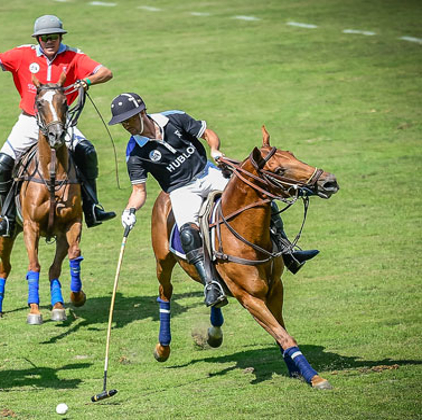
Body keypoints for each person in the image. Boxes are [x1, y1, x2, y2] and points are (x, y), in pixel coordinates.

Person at [108, 92, 319, 307]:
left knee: (260, 197)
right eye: (122, 123)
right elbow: (139, 191)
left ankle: (288, 252)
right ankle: (211, 285)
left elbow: (207, 133)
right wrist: (130, 210)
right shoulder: (135, 152)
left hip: (207, 173)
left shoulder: (173, 118)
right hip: (181, 190)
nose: (126, 125)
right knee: (188, 233)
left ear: (142, 112)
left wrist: (215, 151)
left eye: (129, 119)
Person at [0, 14, 116, 237]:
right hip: (30, 121)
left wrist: (85, 81)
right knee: (2, 163)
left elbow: (105, 72)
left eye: (53, 37)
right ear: (37, 40)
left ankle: (92, 208)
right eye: (44, 38)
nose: (49, 41)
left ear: (60, 37)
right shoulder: (23, 54)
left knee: (87, 152)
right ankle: (6, 218)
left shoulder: (74, 56)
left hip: (61, 122)